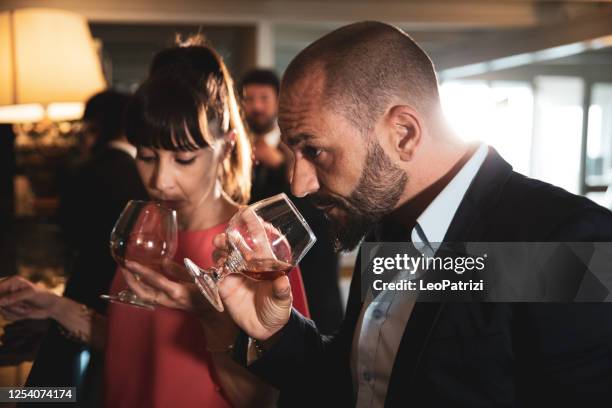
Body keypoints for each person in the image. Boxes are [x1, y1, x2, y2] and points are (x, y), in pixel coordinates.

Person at [211, 22, 612, 407]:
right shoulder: (387, 223)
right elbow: (361, 384)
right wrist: (277, 333)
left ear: (403, 133)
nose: (299, 185)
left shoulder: (562, 240)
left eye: (314, 151)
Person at [0, 37, 310, 408]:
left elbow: (264, 400)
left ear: (226, 147)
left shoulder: (259, 249)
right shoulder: (145, 229)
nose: (160, 180)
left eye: (183, 160)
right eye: (146, 156)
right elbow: (133, 344)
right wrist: (53, 306)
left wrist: (210, 321)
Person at [22, 90, 149, 405]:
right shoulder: (143, 177)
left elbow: (68, 230)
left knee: (58, 388)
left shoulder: (84, 170)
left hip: (84, 285)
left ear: (96, 126)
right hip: (132, 298)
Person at [241, 69, 343, 334]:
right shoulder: (236, 150)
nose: (256, 106)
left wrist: (279, 165)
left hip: (309, 268)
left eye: (264, 98)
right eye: (249, 99)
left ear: (278, 101)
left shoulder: (298, 144)